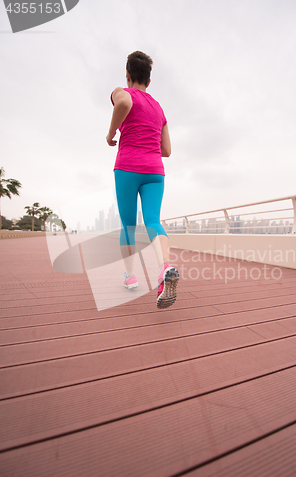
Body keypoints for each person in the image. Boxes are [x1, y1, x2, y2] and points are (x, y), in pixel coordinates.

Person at [106, 51, 179, 309]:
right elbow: (167, 150)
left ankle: (130, 277)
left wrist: (111, 132)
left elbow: (124, 104)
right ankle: (165, 267)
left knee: (127, 225)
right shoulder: (158, 108)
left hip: (127, 166)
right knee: (152, 221)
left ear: (127, 75)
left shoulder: (121, 91)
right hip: (155, 171)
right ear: (149, 81)